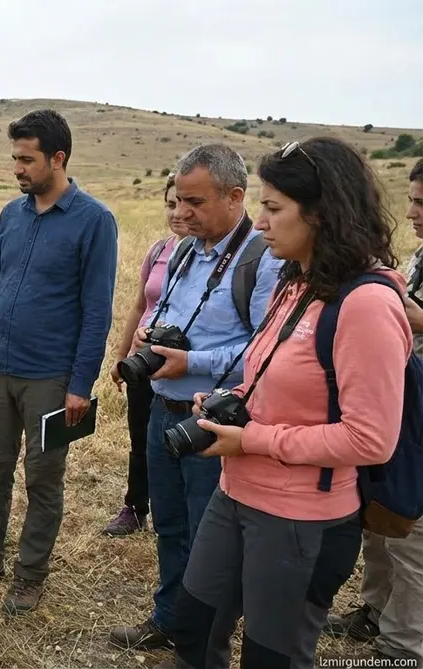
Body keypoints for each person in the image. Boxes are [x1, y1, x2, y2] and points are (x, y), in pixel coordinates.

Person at [160, 137, 410, 669]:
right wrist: (232, 399)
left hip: (303, 519)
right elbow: (272, 372)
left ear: (322, 213)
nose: (262, 222)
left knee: (272, 656)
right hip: (235, 493)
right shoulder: (295, 282)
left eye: (273, 208)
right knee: (193, 630)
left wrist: (252, 439)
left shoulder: (367, 304)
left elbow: (371, 438)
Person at [109, 144, 283, 650]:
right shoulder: (184, 249)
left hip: (212, 421)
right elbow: (161, 311)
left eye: (194, 203)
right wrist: (149, 339)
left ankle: (206, 641)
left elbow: (265, 348)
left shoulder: (261, 260)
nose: (181, 214)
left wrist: (194, 362)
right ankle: (169, 618)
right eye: (178, 201)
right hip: (162, 408)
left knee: (212, 541)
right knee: (168, 523)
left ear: (235, 196)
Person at [0, 109, 118, 616]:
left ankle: (29, 575)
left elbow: (97, 311)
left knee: (44, 477)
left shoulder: (95, 221)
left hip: (52, 378)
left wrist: (80, 385)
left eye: (27, 160)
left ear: (58, 158)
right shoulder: (12, 215)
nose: (17, 169)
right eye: (15, 158)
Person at [323, 156, 423, 664]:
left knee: (412, 538)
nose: (412, 213)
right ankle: (374, 611)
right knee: (380, 518)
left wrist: (415, 319)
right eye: (410, 200)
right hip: (398, 410)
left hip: (419, 425)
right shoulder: (418, 258)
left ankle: (402, 648)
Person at [103, 175, 189, 536]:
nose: (177, 212)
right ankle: (135, 507)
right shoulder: (158, 251)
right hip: (144, 358)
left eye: (185, 204)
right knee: (140, 436)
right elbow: (140, 304)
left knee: (181, 439)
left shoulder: (218, 257)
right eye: (170, 204)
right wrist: (123, 356)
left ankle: (180, 511)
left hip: (182, 365)